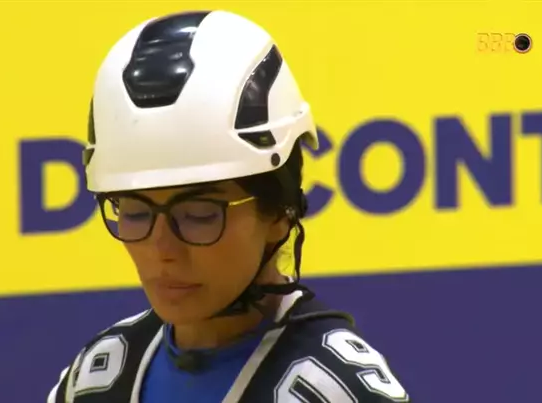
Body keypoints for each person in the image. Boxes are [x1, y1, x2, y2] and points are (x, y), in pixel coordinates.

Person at [47, 9, 411, 403]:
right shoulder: (94, 382)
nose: (162, 249)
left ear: (280, 212)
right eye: (135, 212)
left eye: (199, 215)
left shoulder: (336, 391)